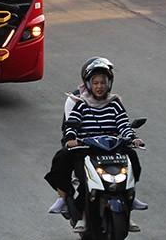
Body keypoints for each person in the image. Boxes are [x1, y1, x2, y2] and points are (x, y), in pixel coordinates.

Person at [44, 57, 145, 234]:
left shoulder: (114, 103)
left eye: (103, 83)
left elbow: (123, 124)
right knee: (80, 175)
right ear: (89, 84)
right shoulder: (80, 103)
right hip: (86, 150)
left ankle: (130, 199)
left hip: (111, 147)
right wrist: (71, 139)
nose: (99, 86)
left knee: (133, 158)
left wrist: (133, 138)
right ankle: (79, 213)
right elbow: (72, 124)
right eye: (96, 83)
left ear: (109, 84)